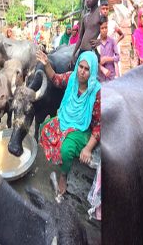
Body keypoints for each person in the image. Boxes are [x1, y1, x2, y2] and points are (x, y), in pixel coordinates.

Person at [37, 50, 100, 196]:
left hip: (82, 128)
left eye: (87, 69)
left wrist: (88, 148)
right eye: (81, 67)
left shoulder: (96, 92)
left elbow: (98, 124)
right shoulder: (72, 78)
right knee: (44, 128)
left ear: (92, 71)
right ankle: (63, 161)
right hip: (65, 119)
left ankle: (64, 175)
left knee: (66, 150)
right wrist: (46, 64)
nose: (82, 72)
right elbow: (56, 79)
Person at [71, 0, 100, 64]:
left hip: (91, 52)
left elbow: (110, 31)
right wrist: (73, 54)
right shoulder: (85, 16)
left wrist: (100, 41)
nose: (87, 0)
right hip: (81, 52)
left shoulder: (100, 13)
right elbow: (80, 38)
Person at [98, 16, 120, 82]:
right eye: (102, 28)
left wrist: (107, 59)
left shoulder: (112, 41)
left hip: (111, 75)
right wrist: (101, 68)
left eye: (106, 27)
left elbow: (118, 57)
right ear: (98, 29)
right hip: (100, 76)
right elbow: (93, 61)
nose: (104, 30)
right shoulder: (96, 43)